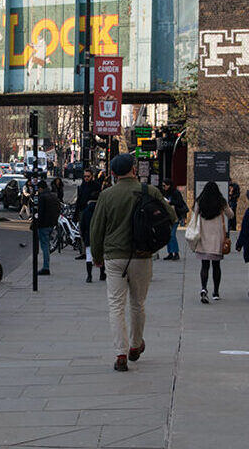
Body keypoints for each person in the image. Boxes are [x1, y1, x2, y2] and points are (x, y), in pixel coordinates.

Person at [90, 153, 176, 372]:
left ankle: (121, 352)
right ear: (134, 170)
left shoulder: (107, 195)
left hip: (114, 256)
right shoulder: (150, 191)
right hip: (142, 255)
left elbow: (96, 229)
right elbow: (172, 217)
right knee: (138, 303)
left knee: (116, 305)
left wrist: (97, 257)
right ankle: (136, 345)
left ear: (112, 174)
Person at [190, 182, 234, 303]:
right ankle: (216, 291)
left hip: (203, 237)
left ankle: (204, 288)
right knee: (216, 266)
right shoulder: (221, 202)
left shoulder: (200, 201)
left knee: (204, 266)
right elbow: (230, 215)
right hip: (216, 238)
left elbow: (194, 212)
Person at [73, 169, 100, 259]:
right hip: (82, 211)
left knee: (91, 232)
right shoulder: (82, 186)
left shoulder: (96, 185)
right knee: (82, 232)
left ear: (92, 176)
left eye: (88, 176)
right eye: (85, 176)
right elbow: (79, 200)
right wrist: (76, 214)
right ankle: (84, 252)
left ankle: (92, 252)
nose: (86, 178)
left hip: (91, 211)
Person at [79, 190, 105, 283]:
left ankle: (89, 276)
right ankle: (102, 274)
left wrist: (83, 235)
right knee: (101, 255)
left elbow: (82, 225)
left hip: (89, 236)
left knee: (89, 257)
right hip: (101, 237)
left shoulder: (86, 211)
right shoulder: (102, 210)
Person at [35, 180, 59, 275]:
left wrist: (37, 224)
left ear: (41, 188)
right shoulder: (53, 196)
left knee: (44, 246)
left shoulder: (42, 197)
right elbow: (57, 209)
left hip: (43, 225)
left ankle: (46, 267)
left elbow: (40, 213)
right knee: (47, 245)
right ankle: (46, 265)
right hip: (51, 224)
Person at [161, 179, 189, 260]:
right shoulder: (166, 193)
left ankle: (176, 253)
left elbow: (179, 202)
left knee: (172, 235)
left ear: (169, 185)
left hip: (175, 216)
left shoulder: (176, 193)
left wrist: (170, 202)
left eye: (164, 185)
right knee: (168, 235)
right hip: (168, 216)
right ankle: (170, 252)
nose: (163, 187)